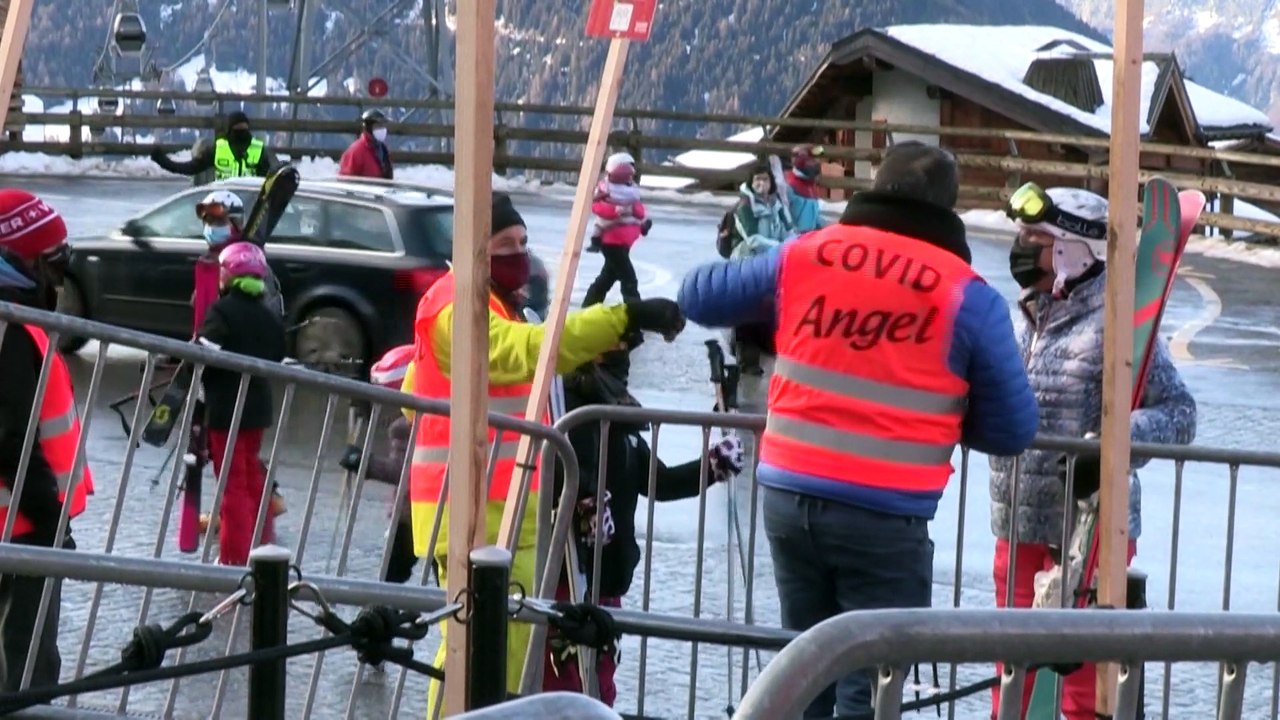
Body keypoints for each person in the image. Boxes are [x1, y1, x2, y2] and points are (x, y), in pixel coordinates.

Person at [677, 141, 1039, 717]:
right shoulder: (966, 295)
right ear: (947, 208)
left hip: (789, 498)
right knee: (870, 688)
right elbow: (1013, 428)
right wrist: (945, 411)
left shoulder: (807, 255)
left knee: (804, 673)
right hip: (884, 518)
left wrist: (784, 309)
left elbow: (697, 295)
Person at [412, 192, 686, 713]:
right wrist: (619, 318)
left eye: (523, 241)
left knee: (491, 660)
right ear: (474, 250)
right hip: (478, 513)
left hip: (510, 509)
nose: (519, 253)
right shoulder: (454, 303)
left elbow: (421, 393)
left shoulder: (499, 304)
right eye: (504, 244)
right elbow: (526, 352)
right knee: (489, 665)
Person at [991, 183, 1197, 720]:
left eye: (1034, 239)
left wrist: (1107, 446)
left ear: (1074, 251)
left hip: (1088, 531)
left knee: (1083, 685)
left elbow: (1180, 414)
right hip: (1017, 524)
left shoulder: (1116, 325)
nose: (1020, 248)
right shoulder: (1027, 317)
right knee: (1012, 676)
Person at [541, 322, 745, 705]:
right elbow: (550, 480)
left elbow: (659, 482)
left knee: (600, 684)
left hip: (610, 578)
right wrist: (579, 506)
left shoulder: (624, 430)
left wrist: (712, 466)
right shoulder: (567, 416)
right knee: (563, 686)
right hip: (569, 578)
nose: (623, 363)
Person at [0, 189, 93, 691]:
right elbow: (11, 439)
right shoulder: (11, 330)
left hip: (22, 522)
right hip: (21, 528)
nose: (57, 280)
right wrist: (51, 522)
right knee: (27, 667)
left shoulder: (21, 322)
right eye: (50, 263)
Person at [191, 191, 286, 534]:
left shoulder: (246, 262)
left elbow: (259, 323)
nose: (211, 227)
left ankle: (242, 536)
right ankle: (251, 529)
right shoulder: (209, 262)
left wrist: (206, 350)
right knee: (236, 466)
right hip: (221, 375)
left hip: (230, 384)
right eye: (207, 221)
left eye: (218, 220)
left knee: (236, 471)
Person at [337, 344, 421, 584]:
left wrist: (363, 462)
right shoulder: (422, 419)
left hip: (408, 513)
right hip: (425, 508)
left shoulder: (403, 428)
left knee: (392, 574)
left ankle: (383, 605)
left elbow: (400, 470)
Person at [583, 152, 649, 305]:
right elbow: (597, 207)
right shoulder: (605, 190)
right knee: (629, 279)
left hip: (624, 243)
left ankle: (588, 306)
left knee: (607, 278)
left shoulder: (632, 191)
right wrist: (616, 210)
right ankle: (635, 312)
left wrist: (636, 214)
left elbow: (639, 210)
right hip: (612, 243)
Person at [151, 111, 277, 182]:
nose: (240, 130)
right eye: (238, 127)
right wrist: (163, 161)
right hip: (236, 206)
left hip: (232, 206)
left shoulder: (219, 148)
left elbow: (189, 168)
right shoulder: (258, 149)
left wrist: (162, 161)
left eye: (242, 127)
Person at [782, 144, 827, 234]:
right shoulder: (790, 185)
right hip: (798, 235)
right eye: (811, 160)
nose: (816, 163)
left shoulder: (810, 182)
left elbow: (815, 213)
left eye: (816, 159)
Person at [338, 109, 394, 180]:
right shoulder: (356, 151)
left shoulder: (382, 149)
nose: (382, 129)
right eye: (378, 126)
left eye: (383, 126)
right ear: (369, 128)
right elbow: (345, 180)